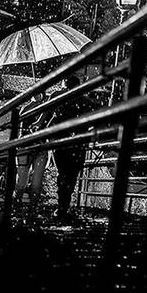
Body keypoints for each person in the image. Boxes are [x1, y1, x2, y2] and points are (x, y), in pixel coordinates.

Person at [50, 76, 99, 219]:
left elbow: (52, 124)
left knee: (63, 174)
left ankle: (62, 206)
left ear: (66, 87)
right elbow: (96, 123)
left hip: (62, 144)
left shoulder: (62, 102)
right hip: (78, 146)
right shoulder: (87, 103)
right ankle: (65, 205)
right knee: (72, 176)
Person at [14, 91, 54, 208]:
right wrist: (34, 104)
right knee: (22, 180)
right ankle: (17, 203)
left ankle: (33, 206)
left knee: (37, 182)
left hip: (40, 147)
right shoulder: (26, 108)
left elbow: (50, 124)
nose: (38, 96)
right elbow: (21, 117)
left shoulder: (46, 109)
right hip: (25, 147)